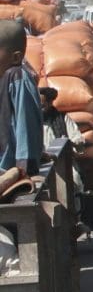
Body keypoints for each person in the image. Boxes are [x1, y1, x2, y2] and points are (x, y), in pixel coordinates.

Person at [0, 20, 43, 178]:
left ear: (16, 57)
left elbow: (25, 120)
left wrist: (26, 164)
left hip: (9, 166)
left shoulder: (17, 76)